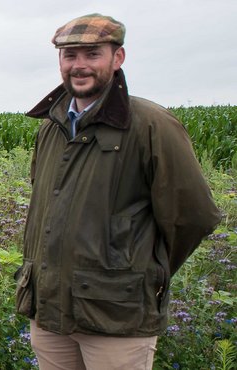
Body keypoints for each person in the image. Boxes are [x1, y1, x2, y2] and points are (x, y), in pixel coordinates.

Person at [17, 14, 221, 369]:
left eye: (92, 54)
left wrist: (141, 272)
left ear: (118, 58)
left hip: (116, 317)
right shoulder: (51, 127)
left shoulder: (151, 125)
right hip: (49, 313)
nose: (79, 65)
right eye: (69, 56)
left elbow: (193, 217)